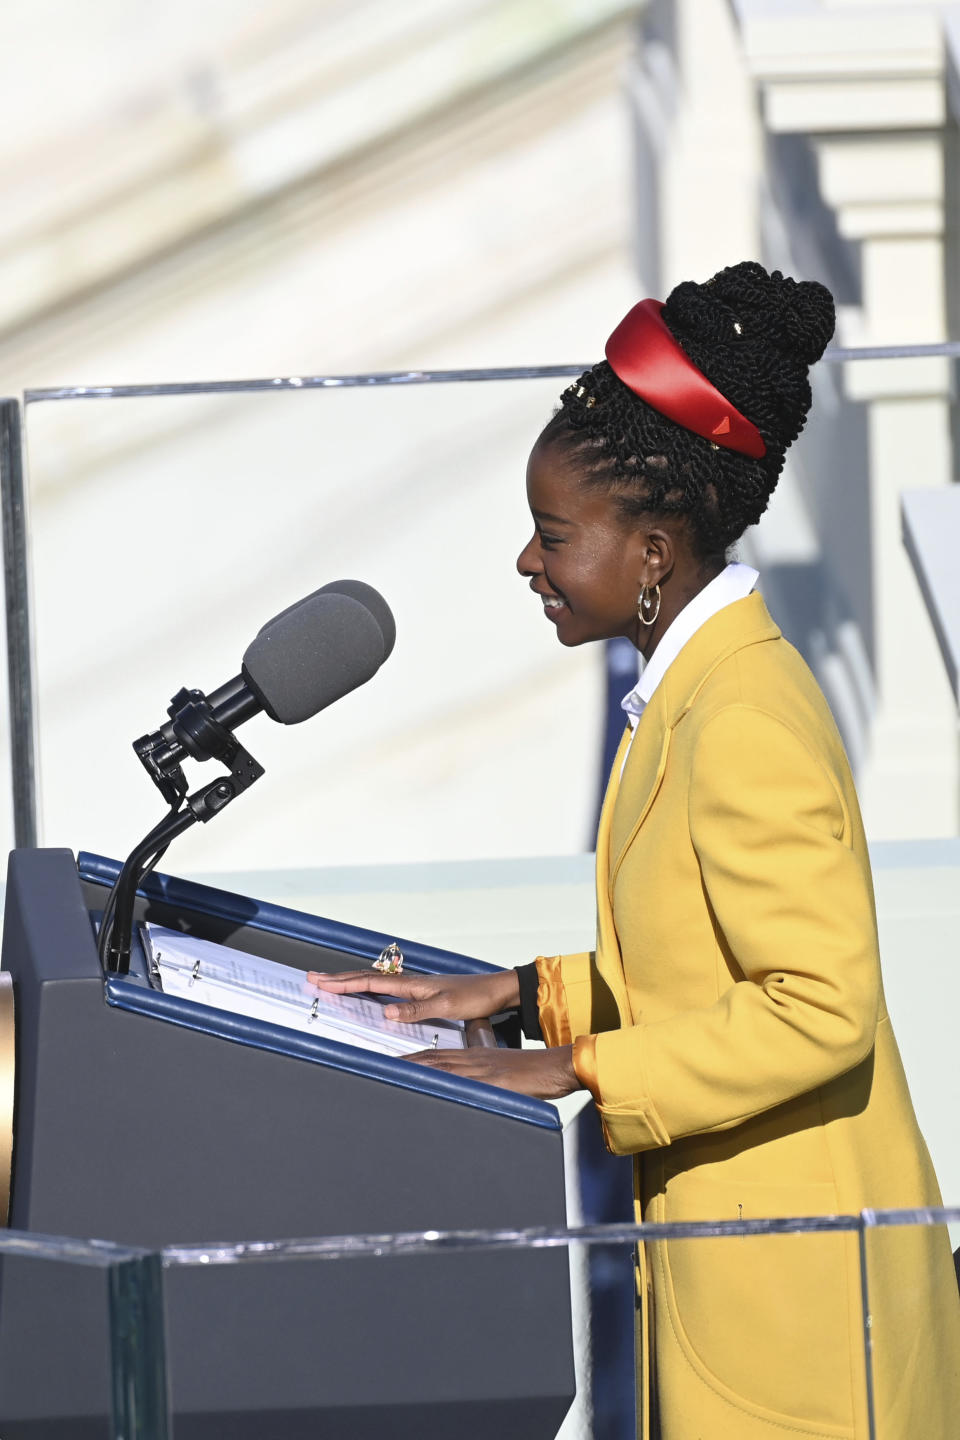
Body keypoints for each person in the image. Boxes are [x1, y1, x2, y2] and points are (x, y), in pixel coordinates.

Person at [310, 261, 960, 1439]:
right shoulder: (696, 688)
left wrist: (578, 1069)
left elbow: (821, 1005)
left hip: (807, 1333)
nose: (527, 562)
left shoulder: (742, 716)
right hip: (750, 1297)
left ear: (653, 552)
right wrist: (518, 995)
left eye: (553, 537)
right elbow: (705, 955)